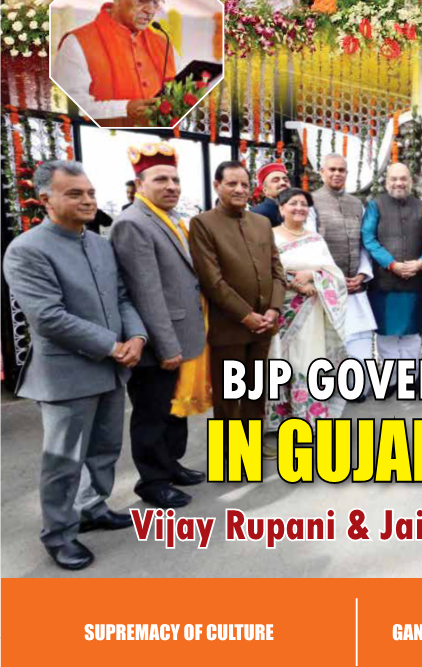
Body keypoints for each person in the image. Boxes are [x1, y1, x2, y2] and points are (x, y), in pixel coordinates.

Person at [3, 160, 146, 570]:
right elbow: (48, 317)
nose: (86, 200)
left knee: (104, 449)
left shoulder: (99, 243)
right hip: (66, 373)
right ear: (45, 200)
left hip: (112, 366)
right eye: (74, 193)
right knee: (64, 461)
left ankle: (91, 506)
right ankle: (59, 534)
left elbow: (121, 297)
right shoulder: (27, 250)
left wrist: (137, 337)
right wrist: (113, 346)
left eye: (89, 193)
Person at [110, 143, 206, 507]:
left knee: (173, 409)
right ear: (139, 184)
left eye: (175, 179)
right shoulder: (133, 224)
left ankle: (172, 465)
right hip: (158, 343)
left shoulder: (169, 219)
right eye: (161, 179)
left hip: (180, 335)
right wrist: (166, 347)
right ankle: (152, 482)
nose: (171, 186)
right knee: (151, 414)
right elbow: (146, 293)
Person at [188, 160, 286, 426]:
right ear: (217, 185)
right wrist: (246, 316)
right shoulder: (202, 224)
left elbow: (277, 271)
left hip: (265, 325)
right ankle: (229, 461)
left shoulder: (262, 223)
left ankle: (250, 456)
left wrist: (274, 309)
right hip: (229, 329)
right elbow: (212, 281)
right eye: (232, 183)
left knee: (256, 394)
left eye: (244, 184)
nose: (240, 189)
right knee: (229, 400)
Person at [51, 0, 176, 128]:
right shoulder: (77, 43)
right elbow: (67, 108)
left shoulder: (162, 43)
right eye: (142, 0)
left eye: (156, 1)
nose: (150, 10)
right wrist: (124, 108)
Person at [265, 188, 348, 429]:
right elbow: (265, 271)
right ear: (281, 208)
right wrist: (295, 285)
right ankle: (279, 419)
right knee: (281, 361)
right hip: (280, 308)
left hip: (311, 311)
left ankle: (308, 419)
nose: (299, 208)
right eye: (293, 203)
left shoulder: (315, 239)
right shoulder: (269, 236)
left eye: (303, 204)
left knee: (308, 361)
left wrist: (313, 275)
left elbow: (334, 273)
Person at [361, 163, 422, 383]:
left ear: (410, 181)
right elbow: (368, 238)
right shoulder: (375, 206)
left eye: (403, 178)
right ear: (386, 181)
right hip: (385, 282)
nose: (399, 183)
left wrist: (421, 262)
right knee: (386, 334)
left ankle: (409, 379)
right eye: (394, 179)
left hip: (415, 281)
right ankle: (390, 381)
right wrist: (390, 263)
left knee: (411, 333)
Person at [312, 154, 376, 387]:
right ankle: (328, 387)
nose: (337, 173)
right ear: (322, 172)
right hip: (326, 285)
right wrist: (334, 279)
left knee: (359, 337)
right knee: (330, 340)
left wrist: (362, 274)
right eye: (332, 169)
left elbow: (364, 242)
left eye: (342, 169)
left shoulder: (356, 204)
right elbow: (310, 244)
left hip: (355, 284)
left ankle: (357, 386)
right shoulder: (311, 202)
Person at [251, 161, 292, 227]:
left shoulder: (296, 209)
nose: (283, 183)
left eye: (286, 180)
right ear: (265, 190)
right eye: (276, 180)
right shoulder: (258, 214)